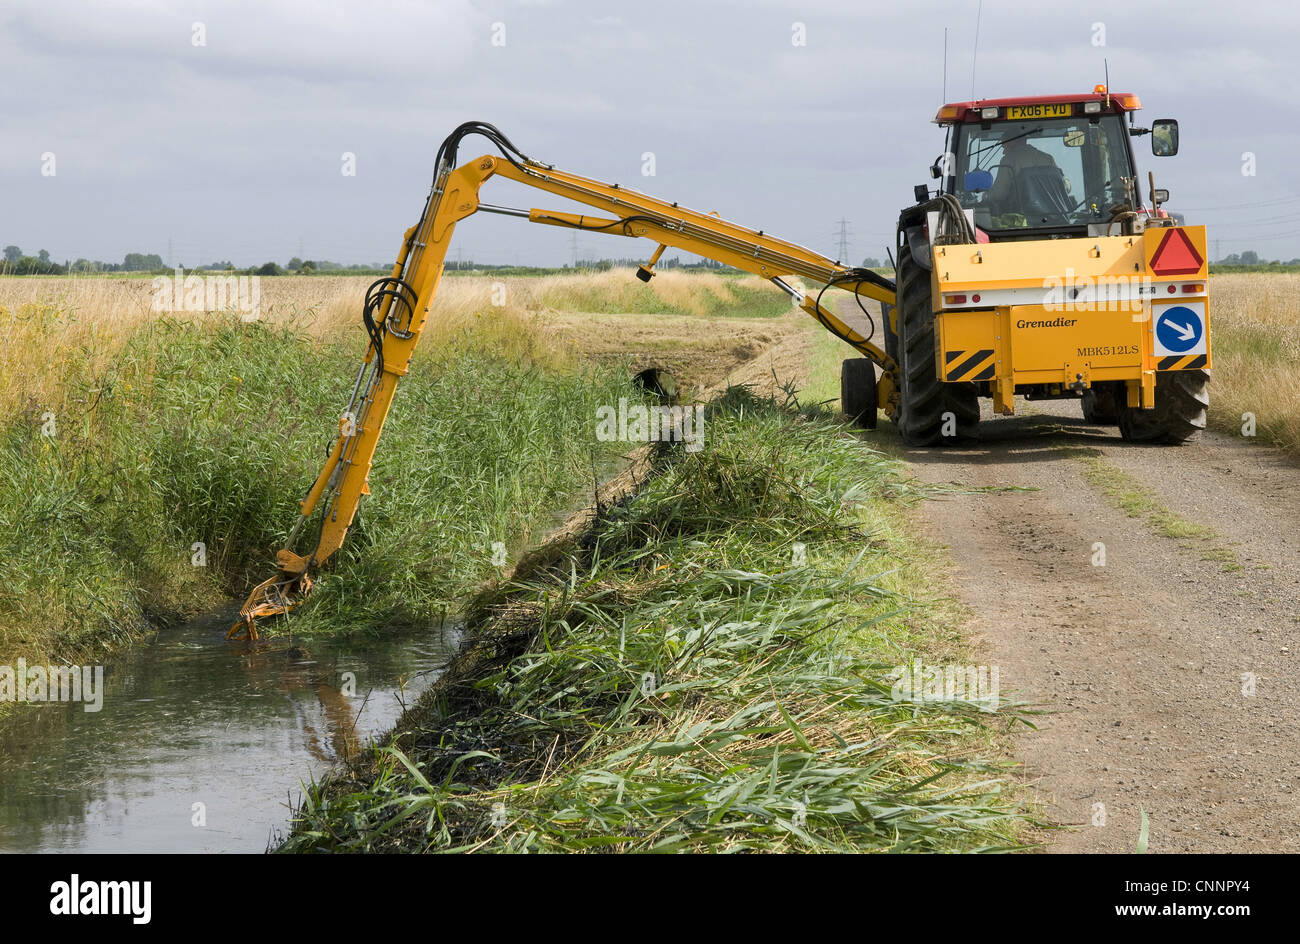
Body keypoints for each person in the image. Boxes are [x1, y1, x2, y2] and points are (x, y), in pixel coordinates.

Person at [987, 133, 1060, 216]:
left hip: (1020, 218)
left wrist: (986, 196)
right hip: (1053, 217)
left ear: (1011, 142)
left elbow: (999, 195)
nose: (1003, 152)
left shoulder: (1008, 160)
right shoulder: (1048, 158)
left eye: (1004, 146)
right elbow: (1064, 187)